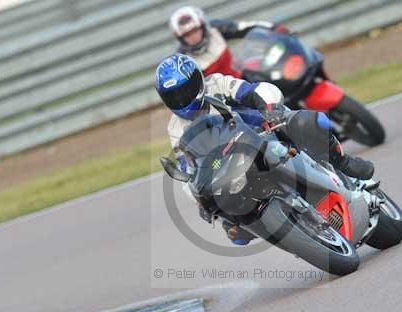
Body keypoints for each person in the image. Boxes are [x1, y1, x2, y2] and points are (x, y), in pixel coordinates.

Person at [155, 54, 374, 244]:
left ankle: (344, 163)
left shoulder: (217, 84)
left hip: (266, 129)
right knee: (235, 231)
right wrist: (199, 199)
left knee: (309, 122)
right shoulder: (176, 128)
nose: (182, 100)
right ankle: (297, 234)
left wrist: (271, 110)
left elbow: (253, 91)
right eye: (174, 96)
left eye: (185, 91)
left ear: (197, 81)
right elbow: (189, 167)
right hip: (232, 164)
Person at [169, 6, 287, 78]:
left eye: (195, 30)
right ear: (180, 38)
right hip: (221, 103)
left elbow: (246, 27)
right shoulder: (182, 61)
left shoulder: (216, 29)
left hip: (244, 81)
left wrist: (274, 28)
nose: (193, 36)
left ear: (202, 26)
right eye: (186, 35)